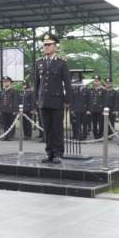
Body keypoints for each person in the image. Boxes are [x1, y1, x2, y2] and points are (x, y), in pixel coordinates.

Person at [34, 34, 73, 164]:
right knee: (47, 128)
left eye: (49, 44)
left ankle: (58, 153)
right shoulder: (39, 62)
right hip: (43, 100)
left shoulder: (61, 63)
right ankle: (49, 152)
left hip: (57, 100)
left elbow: (67, 83)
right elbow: (37, 83)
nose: (46, 47)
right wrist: (36, 99)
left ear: (55, 46)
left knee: (57, 128)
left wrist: (68, 100)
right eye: (44, 44)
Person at [0, 77, 19, 141]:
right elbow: (1, 101)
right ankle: (6, 135)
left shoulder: (14, 91)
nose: (5, 83)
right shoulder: (3, 91)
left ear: (10, 83)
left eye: (7, 82)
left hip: (11, 110)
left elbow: (15, 101)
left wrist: (15, 110)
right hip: (4, 109)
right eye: (4, 82)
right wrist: (0, 109)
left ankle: (11, 136)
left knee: (11, 123)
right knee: (5, 124)